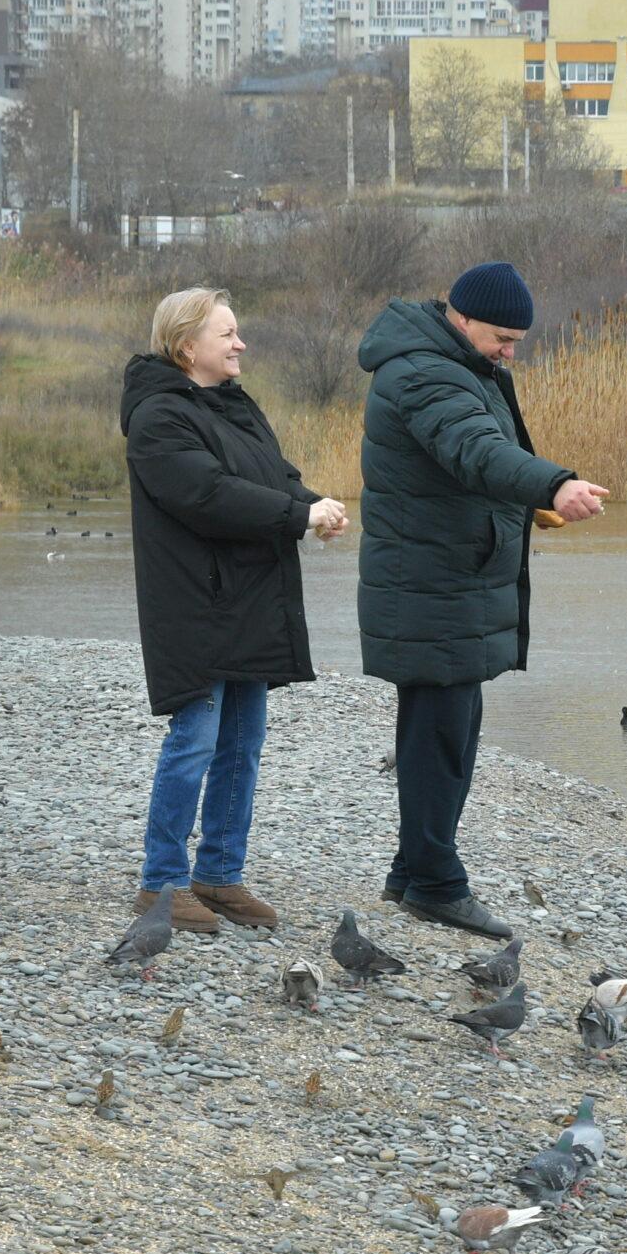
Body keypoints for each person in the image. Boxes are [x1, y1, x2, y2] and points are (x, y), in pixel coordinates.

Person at [355, 261, 606, 939]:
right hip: (432, 584)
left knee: (444, 728)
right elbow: (478, 450)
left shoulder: (454, 364)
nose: (509, 351)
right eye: (502, 337)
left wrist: (527, 504)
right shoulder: (425, 373)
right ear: (461, 318)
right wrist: (552, 485)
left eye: (517, 342)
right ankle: (437, 883)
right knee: (441, 735)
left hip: (447, 579)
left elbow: (479, 462)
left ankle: (412, 873)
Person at [123, 286, 349, 935]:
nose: (240, 343)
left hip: (246, 598)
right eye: (227, 333)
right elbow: (210, 494)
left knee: (243, 743)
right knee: (193, 740)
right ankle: (160, 883)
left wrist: (314, 505)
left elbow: (271, 477)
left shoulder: (232, 406)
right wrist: (296, 516)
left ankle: (219, 874)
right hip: (194, 605)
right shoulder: (158, 417)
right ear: (187, 345)